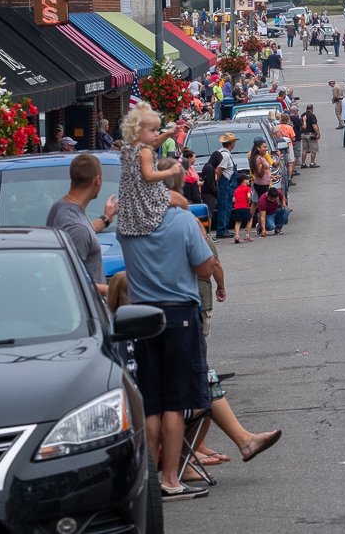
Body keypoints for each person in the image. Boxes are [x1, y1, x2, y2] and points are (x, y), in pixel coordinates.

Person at [117, 162, 218, 501]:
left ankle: (146, 475)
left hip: (139, 314)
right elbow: (204, 269)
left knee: (150, 403)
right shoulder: (183, 221)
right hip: (178, 314)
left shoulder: (127, 224)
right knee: (175, 403)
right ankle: (171, 478)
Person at [46, 154, 118, 294]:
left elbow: (84, 232)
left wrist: (106, 218)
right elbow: (68, 283)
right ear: (97, 181)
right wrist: (113, 291)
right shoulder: (76, 228)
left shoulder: (61, 207)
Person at [117, 103, 188, 237]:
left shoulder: (129, 148)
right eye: (153, 130)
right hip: (147, 197)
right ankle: (183, 229)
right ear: (137, 131)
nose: (157, 133)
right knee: (182, 201)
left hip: (131, 201)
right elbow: (148, 176)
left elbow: (154, 143)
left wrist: (169, 133)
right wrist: (171, 171)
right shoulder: (145, 152)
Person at [212, 133, 238, 239]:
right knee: (224, 206)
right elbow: (219, 170)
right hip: (225, 183)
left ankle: (224, 228)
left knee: (226, 206)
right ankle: (222, 230)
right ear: (231, 144)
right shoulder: (225, 155)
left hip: (226, 183)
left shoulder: (221, 152)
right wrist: (215, 184)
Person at [248, 139, 271, 236]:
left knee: (257, 204)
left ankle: (258, 225)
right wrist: (262, 166)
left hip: (263, 183)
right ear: (258, 148)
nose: (266, 149)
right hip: (261, 184)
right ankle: (262, 227)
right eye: (264, 147)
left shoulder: (262, 157)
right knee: (262, 206)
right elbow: (260, 174)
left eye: (266, 147)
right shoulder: (258, 159)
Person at [231, 172, 254, 243]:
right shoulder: (247, 188)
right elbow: (248, 196)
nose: (249, 181)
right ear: (244, 180)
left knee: (238, 222)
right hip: (245, 207)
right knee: (249, 220)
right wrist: (249, 200)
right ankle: (247, 235)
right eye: (247, 179)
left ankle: (236, 236)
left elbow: (233, 200)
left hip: (237, 207)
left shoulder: (236, 189)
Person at [301, 103, 320, 168]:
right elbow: (314, 125)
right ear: (312, 109)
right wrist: (317, 133)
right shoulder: (312, 115)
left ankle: (303, 163)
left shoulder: (303, 115)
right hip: (311, 134)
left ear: (306, 108)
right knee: (313, 149)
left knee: (304, 149)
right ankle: (312, 163)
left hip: (303, 134)